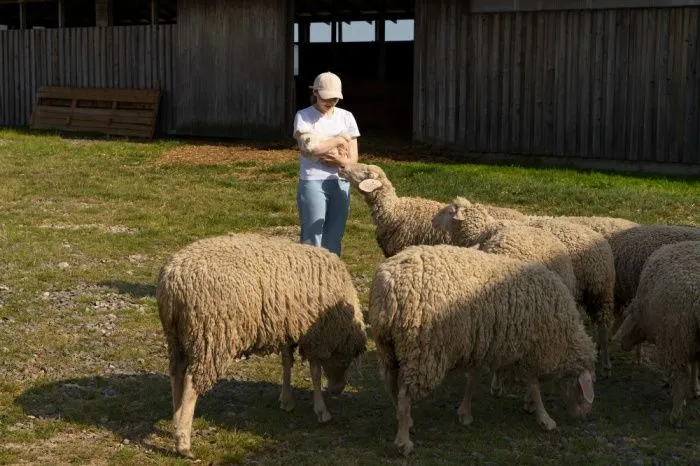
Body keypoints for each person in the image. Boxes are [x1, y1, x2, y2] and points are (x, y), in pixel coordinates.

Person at [292, 71, 360, 256]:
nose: (330, 102)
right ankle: (308, 278)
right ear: (315, 93)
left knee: (334, 235)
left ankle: (331, 278)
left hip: (340, 180)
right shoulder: (304, 116)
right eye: (326, 98)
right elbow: (309, 149)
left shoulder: (346, 117)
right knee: (312, 235)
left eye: (335, 99)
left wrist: (341, 160)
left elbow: (353, 158)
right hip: (313, 180)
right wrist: (339, 140)